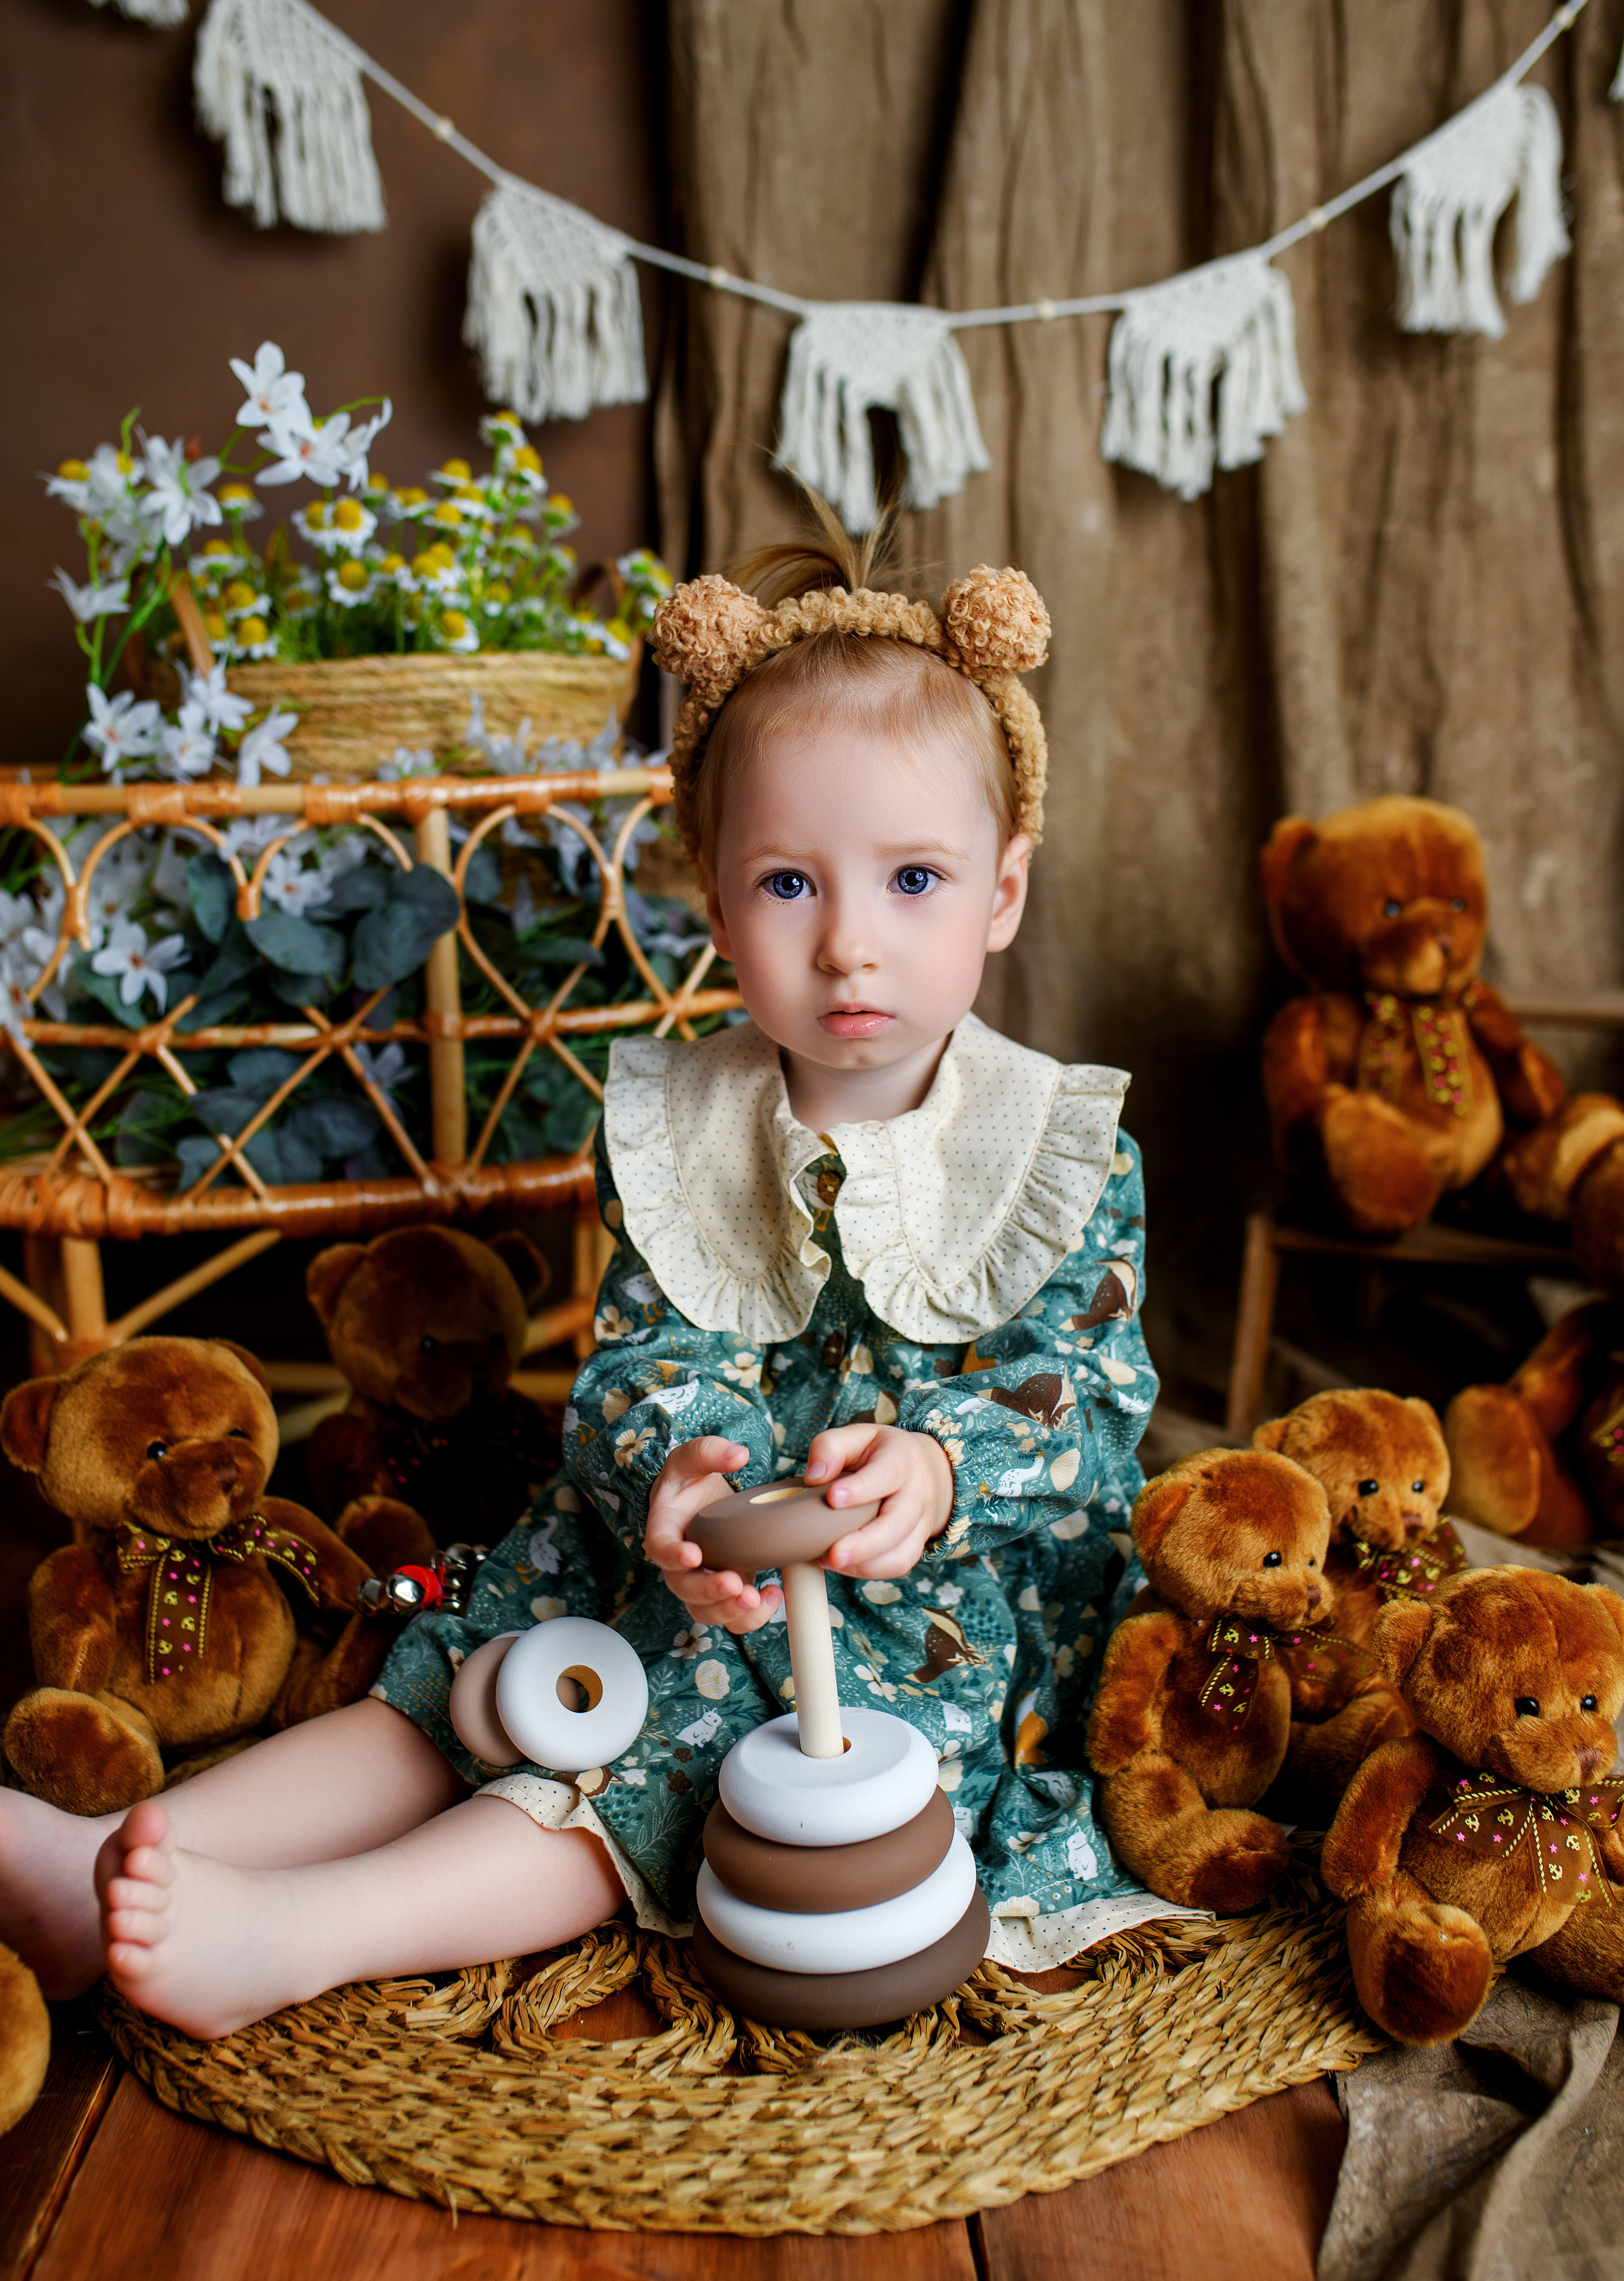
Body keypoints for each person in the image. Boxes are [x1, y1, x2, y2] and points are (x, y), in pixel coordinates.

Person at [0, 508, 1159, 2039]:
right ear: (713, 898)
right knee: (473, 1667)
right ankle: (108, 1852)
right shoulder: (686, 1125)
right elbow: (638, 1358)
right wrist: (673, 1477)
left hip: (925, 1602)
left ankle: (305, 1930)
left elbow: (1093, 1397)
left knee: (646, 1738)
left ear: (1000, 891)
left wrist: (942, 1467)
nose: (849, 947)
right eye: (790, 885)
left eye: (913, 880)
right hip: (688, 1558)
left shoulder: (1053, 1145)